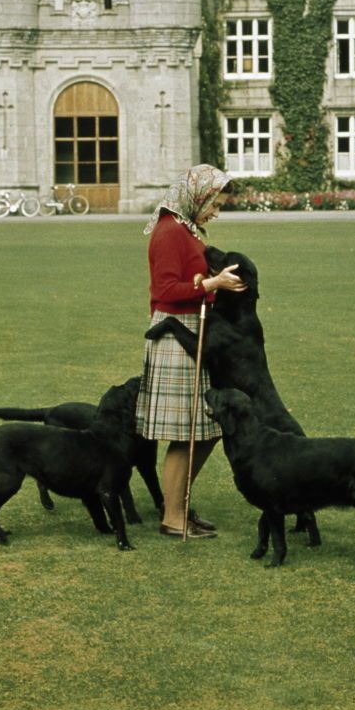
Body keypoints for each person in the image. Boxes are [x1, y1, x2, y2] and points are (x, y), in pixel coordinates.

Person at [135, 164, 246, 538]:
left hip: (192, 332)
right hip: (175, 335)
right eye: (214, 203)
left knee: (206, 428)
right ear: (196, 196)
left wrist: (209, 284)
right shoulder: (169, 231)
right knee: (187, 433)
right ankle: (173, 518)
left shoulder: (184, 228)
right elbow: (165, 292)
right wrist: (212, 282)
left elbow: (187, 279)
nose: (216, 211)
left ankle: (177, 506)